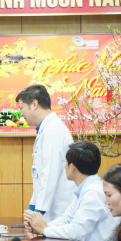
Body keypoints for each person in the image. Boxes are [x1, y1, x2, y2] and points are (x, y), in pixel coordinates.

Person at [23, 141, 118, 241]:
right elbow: (66, 219)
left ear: (72, 167)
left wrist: (44, 230)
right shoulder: (86, 188)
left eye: (66, 162)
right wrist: (39, 226)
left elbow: (77, 231)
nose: (64, 166)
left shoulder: (94, 192)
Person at [16, 85, 75, 221]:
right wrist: (32, 209)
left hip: (58, 212)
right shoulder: (46, 129)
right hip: (50, 211)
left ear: (34, 104)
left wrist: (38, 213)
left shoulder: (53, 130)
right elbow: (41, 177)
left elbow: (49, 174)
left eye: (21, 108)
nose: (21, 114)